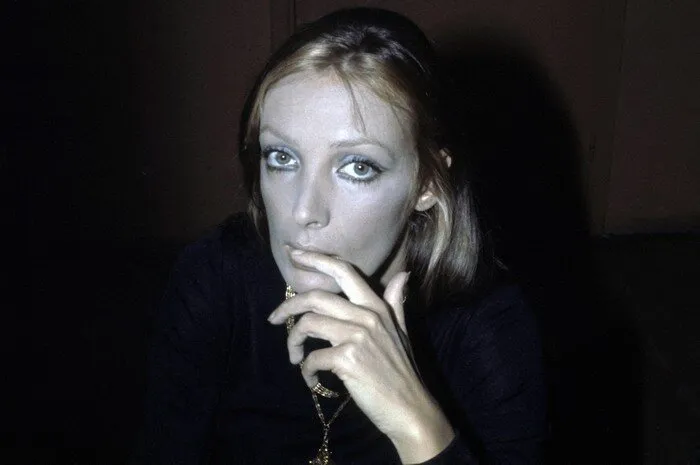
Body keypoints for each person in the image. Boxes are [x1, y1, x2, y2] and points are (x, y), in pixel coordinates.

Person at [133, 8, 546, 464]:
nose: (303, 211)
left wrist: (418, 427)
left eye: (358, 167)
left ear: (427, 184)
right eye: (282, 157)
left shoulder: (488, 327)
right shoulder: (215, 280)